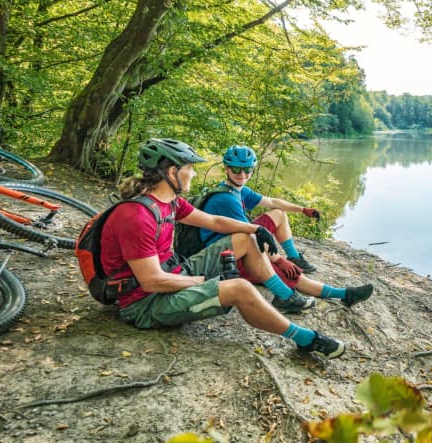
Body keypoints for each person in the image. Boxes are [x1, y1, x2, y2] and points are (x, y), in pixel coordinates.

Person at [100, 138, 345, 358]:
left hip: (171, 275)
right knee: (240, 288)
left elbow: (214, 222)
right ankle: (306, 339)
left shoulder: (170, 202)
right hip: (144, 304)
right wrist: (202, 281)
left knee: (243, 238)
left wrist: (256, 230)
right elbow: (151, 282)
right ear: (173, 171)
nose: (193, 174)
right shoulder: (137, 217)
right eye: (190, 168)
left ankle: (285, 296)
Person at [200, 144, 373, 310]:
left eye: (247, 170)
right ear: (227, 169)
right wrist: (279, 261)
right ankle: (343, 294)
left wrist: (302, 209)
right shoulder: (227, 199)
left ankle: (295, 257)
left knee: (278, 212)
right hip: (228, 257)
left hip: (235, 244)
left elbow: (273, 202)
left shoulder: (236, 190)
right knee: (293, 275)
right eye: (236, 169)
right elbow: (251, 239)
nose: (242, 174)